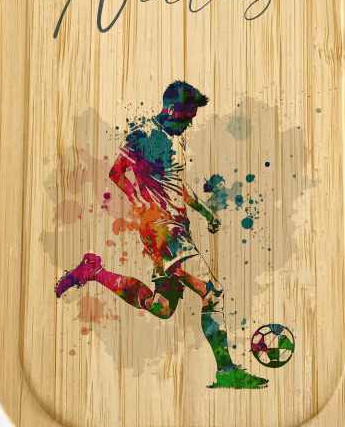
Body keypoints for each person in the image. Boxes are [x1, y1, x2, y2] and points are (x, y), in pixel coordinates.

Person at [55, 80, 267, 388]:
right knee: (210, 290)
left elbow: (176, 184)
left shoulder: (175, 140)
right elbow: (117, 172)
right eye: (186, 117)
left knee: (163, 307)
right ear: (170, 110)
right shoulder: (143, 135)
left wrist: (205, 212)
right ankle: (226, 371)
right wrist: (137, 199)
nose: (188, 124)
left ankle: (95, 272)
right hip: (161, 228)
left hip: (176, 226)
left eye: (192, 118)